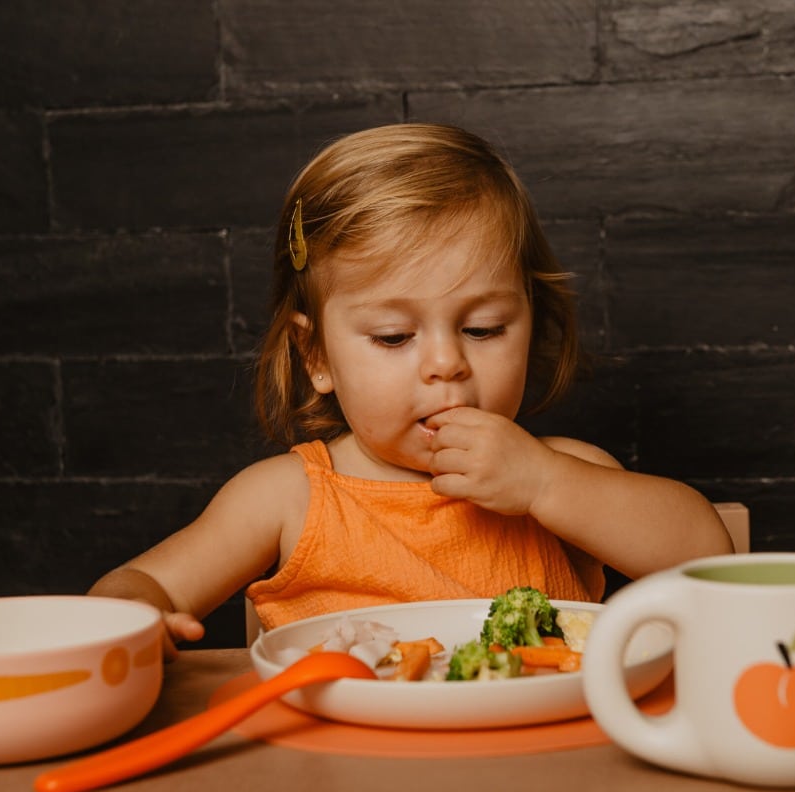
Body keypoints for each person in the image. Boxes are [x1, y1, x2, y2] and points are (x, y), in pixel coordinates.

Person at [89, 123, 733, 654]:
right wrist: (135, 618)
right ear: (317, 355)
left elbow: (710, 555)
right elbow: (147, 581)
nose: (446, 364)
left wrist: (545, 484)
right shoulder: (288, 497)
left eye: (484, 328)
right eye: (395, 337)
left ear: (531, 325)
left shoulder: (566, 475)